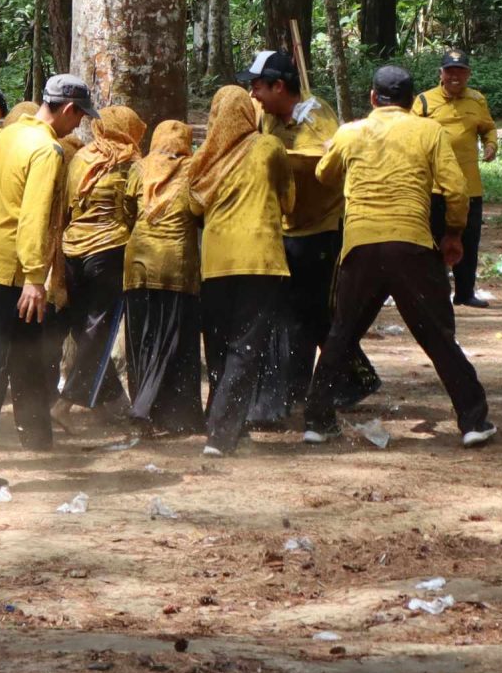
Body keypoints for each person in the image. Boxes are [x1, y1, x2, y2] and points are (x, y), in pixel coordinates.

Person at [302, 65, 494, 448]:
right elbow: (457, 190)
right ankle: (473, 420)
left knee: (342, 333)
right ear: (411, 101)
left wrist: (332, 149)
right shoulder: (428, 130)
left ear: (373, 98)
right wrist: (453, 233)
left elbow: (324, 175)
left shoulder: (351, 132)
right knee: (438, 337)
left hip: (360, 246)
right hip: (412, 245)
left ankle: (317, 421)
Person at [0, 73, 88, 490]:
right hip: (8, 270)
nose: (78, 126)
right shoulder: (47, 150)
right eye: (80, 117)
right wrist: (34, 277)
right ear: (68, 109)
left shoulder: (5, 137)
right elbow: (34, 217)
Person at [248, 50, 377, 418]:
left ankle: (354, 378)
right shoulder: (267, 114)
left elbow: (324, 162)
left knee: (316, 311)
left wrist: (271, 154)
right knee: (294, 309)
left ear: (278, 86)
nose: (253, 95)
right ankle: (300, 386)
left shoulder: (316, 117)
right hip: (287, 226)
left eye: (258, 87)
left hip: (321, 227)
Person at [181, 82, 295, 456]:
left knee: (218, 345)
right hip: (260, 260)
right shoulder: (269, 147)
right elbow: (289, 202)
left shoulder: (205, 158)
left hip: (216, 263)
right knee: (246, 347)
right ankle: (221, 434)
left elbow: (195, 208)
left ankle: (226, 424)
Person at [59, 104, 144, 413]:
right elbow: (134, 211)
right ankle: (65, 403)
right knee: (99, 330)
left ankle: (113, 400)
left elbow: (67, 204)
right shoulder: (130, 162)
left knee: (84, 327)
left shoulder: (80, 157)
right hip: (109, 251)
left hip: (72, 250)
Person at [123, 120, 204, 435]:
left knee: (140, 339)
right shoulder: (191, 169)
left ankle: (143, 406)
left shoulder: (139, 168)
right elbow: (198, 211)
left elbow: (127, 211)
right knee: (173, 340)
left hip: (137, 264)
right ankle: (161, 413)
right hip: (175, 265)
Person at [412, 49, 499, 305]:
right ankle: (435, 294)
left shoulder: (477, 100)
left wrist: (491, 144)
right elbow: (410, 132)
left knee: (469, 240)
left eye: (460, 72)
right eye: (450, 71)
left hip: (469, 185)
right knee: (433, 240)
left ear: (468, 74)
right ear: (441, 73)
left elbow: (488, 128)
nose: (455, 77)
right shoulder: (424, 101)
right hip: (435, 186)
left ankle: (465, 293)